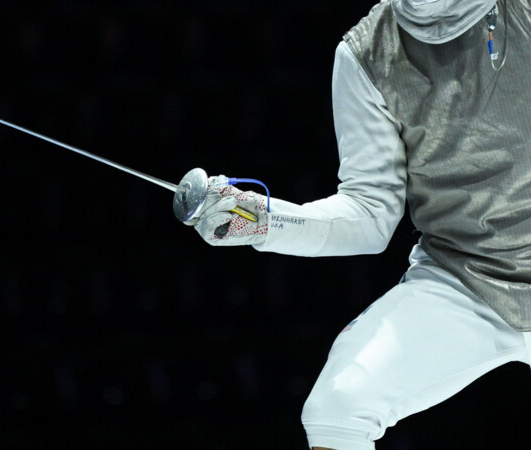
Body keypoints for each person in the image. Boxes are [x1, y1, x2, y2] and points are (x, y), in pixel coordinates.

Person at [190, 0, 531, 448]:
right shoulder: (366, 54)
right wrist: (265, 221)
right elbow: (370, 213)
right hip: (464, 281)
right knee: (338, 407)